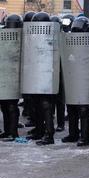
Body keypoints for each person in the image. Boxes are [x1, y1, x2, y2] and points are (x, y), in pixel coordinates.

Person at [25, 12, 56, 145]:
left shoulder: (52, 36)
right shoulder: (32, 36)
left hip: (47, 77)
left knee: (45, 106)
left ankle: (49, 134)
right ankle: (40, 130)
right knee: (37, 105)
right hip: (36, 76)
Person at [61, 16, 89, 146]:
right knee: (72, 108)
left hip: (86, 79)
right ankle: (73, 134)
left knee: (84, 110)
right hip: (73, 78)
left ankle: (85, 137)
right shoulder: (69, 39)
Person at [0, 14, 23, 141]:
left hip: (12, 76)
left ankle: (13, 132)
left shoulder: (21, 36)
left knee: (11, 106)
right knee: (5, 106)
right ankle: (8, 131)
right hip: (6, 75)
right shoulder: (3, 35)